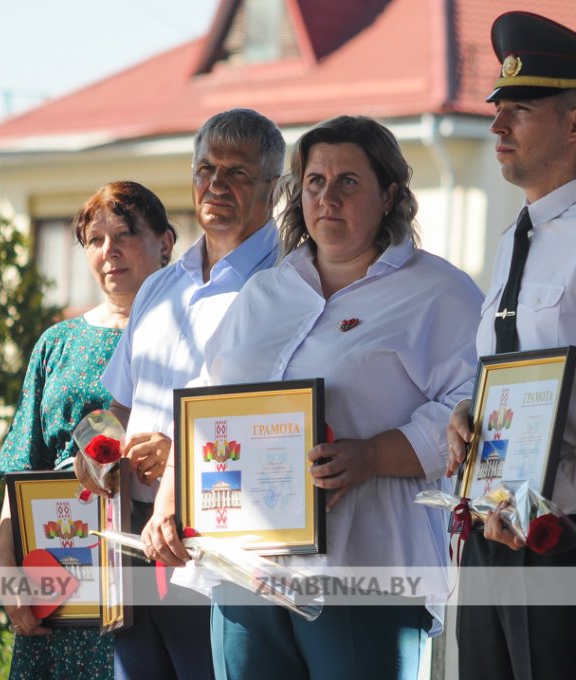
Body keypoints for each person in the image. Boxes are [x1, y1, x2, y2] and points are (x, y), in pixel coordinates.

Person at [185, 114, 482, 680]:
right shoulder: (264, 292)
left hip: (365, 562)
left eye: (349, 181)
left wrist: (370, 456)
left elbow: (473, 404)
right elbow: (207, 400)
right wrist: (179, 497)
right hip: (247, 564)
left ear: (390, 193)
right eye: (315, 181)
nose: (328, 196)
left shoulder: (438, 292)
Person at [444, 12, 576, 680]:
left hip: (566, 534)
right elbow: (505, 373)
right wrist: (464, 415)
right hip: (493, 532)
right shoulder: (516, 236)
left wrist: (549, 492)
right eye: (498, 109)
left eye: (519, 110)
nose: (497, 127)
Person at [83, 108, 285, 680]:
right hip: (134, 533)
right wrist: (94, 447)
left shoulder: (290, 284)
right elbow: (120, 404)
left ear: (274, 186)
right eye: (205, 169)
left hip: (220, 536)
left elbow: (283, 421)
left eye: (237, 173)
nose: (216, 186)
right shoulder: (159, 286)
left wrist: (185, 462)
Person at [0, 181, 176, 679]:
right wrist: (6, 561)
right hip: (59, 563)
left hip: (157, 565)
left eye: (125, 233)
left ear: (166, 242)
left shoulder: (192, 330)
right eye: (95, 240)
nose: (108, 251)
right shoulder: (57, 342)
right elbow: (21, 464)